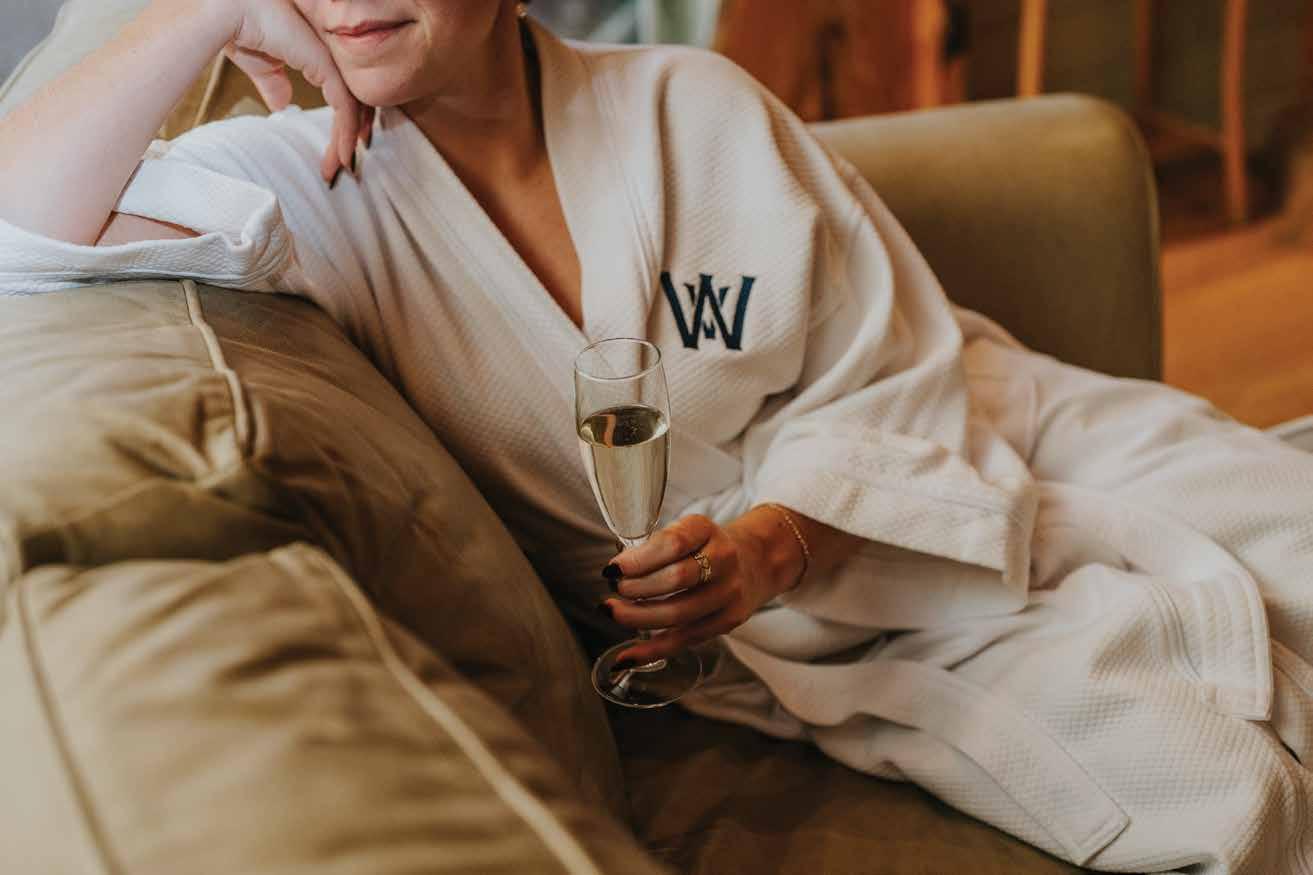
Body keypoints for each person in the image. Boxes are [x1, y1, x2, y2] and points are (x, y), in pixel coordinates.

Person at [1, 1, 1311, 871]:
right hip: (831, 615)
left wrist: (778, 539)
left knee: (1284, 525)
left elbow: (889, 362)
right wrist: (195, 14)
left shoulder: (690, 102)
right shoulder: (305, 187)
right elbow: (16, 232)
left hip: (965, 438)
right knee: (1210, 780)